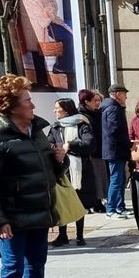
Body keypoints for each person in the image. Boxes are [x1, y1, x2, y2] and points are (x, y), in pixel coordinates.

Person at [0, 74, 66, 278]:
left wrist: (60, 159)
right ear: (11, 106)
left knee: (36, 268)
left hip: (39, 213)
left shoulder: (36, 131)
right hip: (12, 218)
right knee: (13, 268)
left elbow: (49, 173)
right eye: (27, 100)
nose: (32, 105)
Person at [16, 0, 74, 89]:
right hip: (32, 21)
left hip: (50, 19)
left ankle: (60, 67)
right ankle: (42, 82)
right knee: (37, 52)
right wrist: (44, 17)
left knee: (68, 37)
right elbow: (29, 5)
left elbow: (53, 2)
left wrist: (50, 12)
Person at [48, 98, 91, 247]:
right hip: (62, 170)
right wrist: (57, 148)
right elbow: (48, 143)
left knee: (79, 201)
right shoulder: (55, 127)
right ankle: (63, 235)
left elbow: (89, 143)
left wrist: (70, 145)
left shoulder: (82, 124)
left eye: (57, 109)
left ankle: (80, 235)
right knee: (62, 202)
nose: (55, 111)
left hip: (80, 170)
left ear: (66, 110)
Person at [99, 83, 131, 218]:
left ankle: (120, 206)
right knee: (116, 180)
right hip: (115, 150)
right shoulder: (113, 108)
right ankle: (111, 209)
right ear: (117, 94)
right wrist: (127, 143)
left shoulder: (113, 107)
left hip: (116, 149)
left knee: (120, 179)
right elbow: (114, 130)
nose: (126, 97)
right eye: (124, 94)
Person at [77, 89, 106, 213]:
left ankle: (98, 202)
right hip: (90, 152)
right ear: (86, 102)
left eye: (99, 100)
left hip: (99, 150)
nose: (97, 103)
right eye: (95, 100)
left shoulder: (97, 113)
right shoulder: (81, 116)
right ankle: (88, 204)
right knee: (90, 180)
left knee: (99, 179)